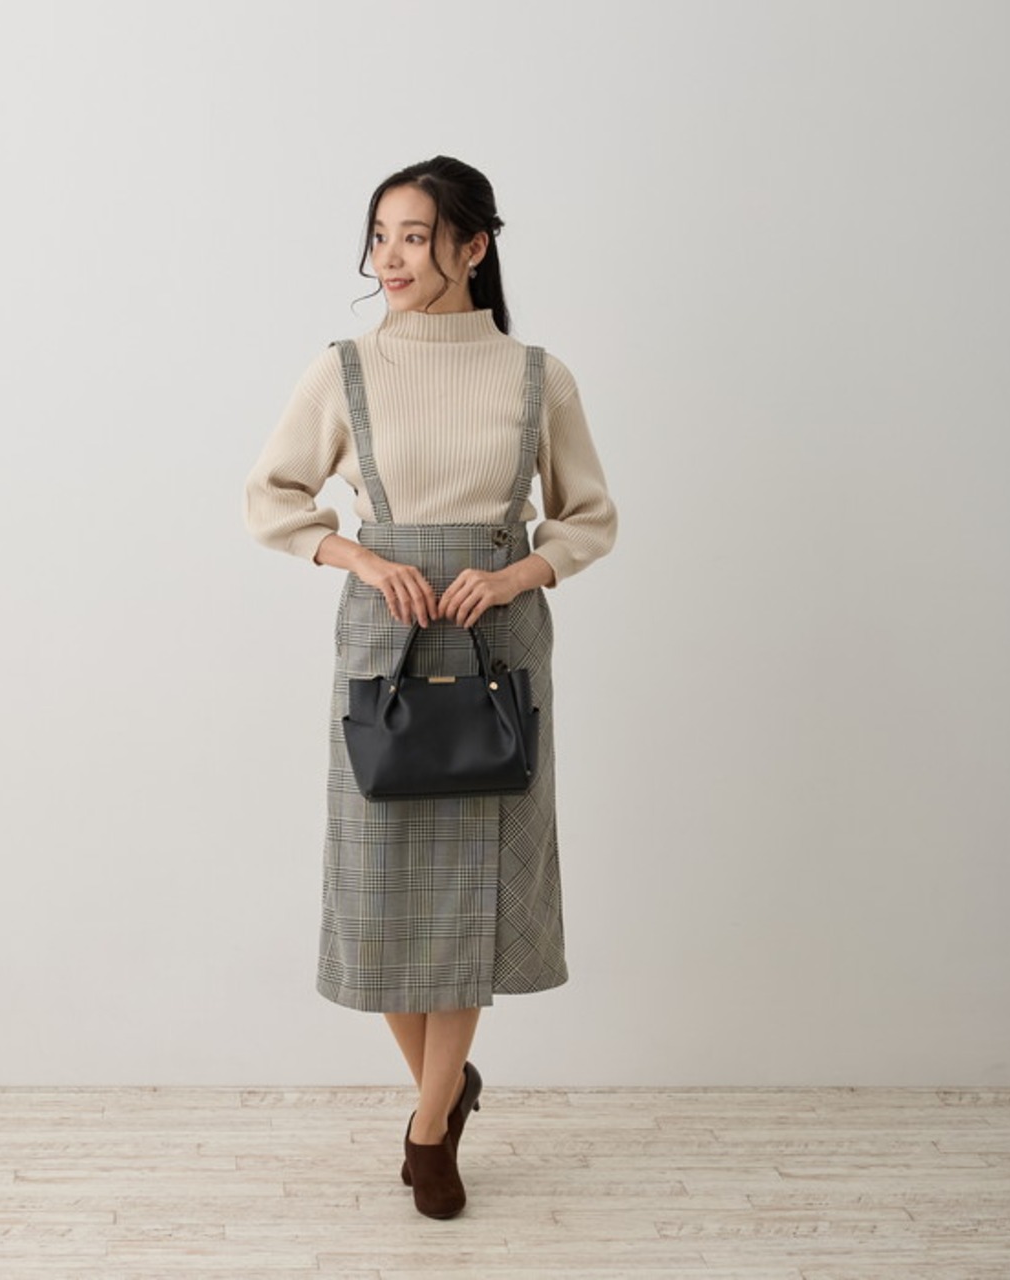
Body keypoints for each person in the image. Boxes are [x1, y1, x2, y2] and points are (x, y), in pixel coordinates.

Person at [242, 156, 617, 1219]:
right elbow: (270, 497)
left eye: (414, 235)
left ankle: (427, 1126)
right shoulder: (345, 369)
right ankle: (446, 1085)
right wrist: (363, 558)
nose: (390, 259)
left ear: (473, 246)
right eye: (380, 237)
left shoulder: (537, 377)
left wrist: (517, 572)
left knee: (471, 896)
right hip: (385, 640)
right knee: (382, 899)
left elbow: (588, 516)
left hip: (499, 642)